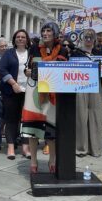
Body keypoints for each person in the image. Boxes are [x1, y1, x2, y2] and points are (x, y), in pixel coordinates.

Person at [22, 21, 69, 173]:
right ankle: (34, 162)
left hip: (53, 93)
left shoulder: (62, 49)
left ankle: (52, 160)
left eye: (48, 31)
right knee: (33, 129)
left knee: (51, 130)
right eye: (43, 31)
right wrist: (28, 72)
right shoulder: (35, 48)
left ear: (55, 33)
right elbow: (27, 68)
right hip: (34, 92)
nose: (45, 34)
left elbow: (64, 70)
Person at [0, 29, 31, 159]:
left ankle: (25, 147)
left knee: (27, 120)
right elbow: (2, 69)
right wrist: (13, 84)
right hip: (11, 91)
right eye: (18, 37)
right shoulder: (9, 53)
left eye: (23, 37)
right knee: (11, 119)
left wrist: (33, 72)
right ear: (14, 39)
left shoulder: (31, 54)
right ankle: (11, 146)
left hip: (29, 91)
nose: (20, 39)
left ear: (27, 39)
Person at [72, 28, 102, 157]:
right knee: (81, 116)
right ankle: (81, 148)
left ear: (94, 39)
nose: (89, 39)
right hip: (81, 86)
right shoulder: (75, 53)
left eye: (91, 37)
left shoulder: (99, 53)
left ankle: (95, 148)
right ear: (82, 39)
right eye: (86, 37)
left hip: (96, 85)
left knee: (96, 115)